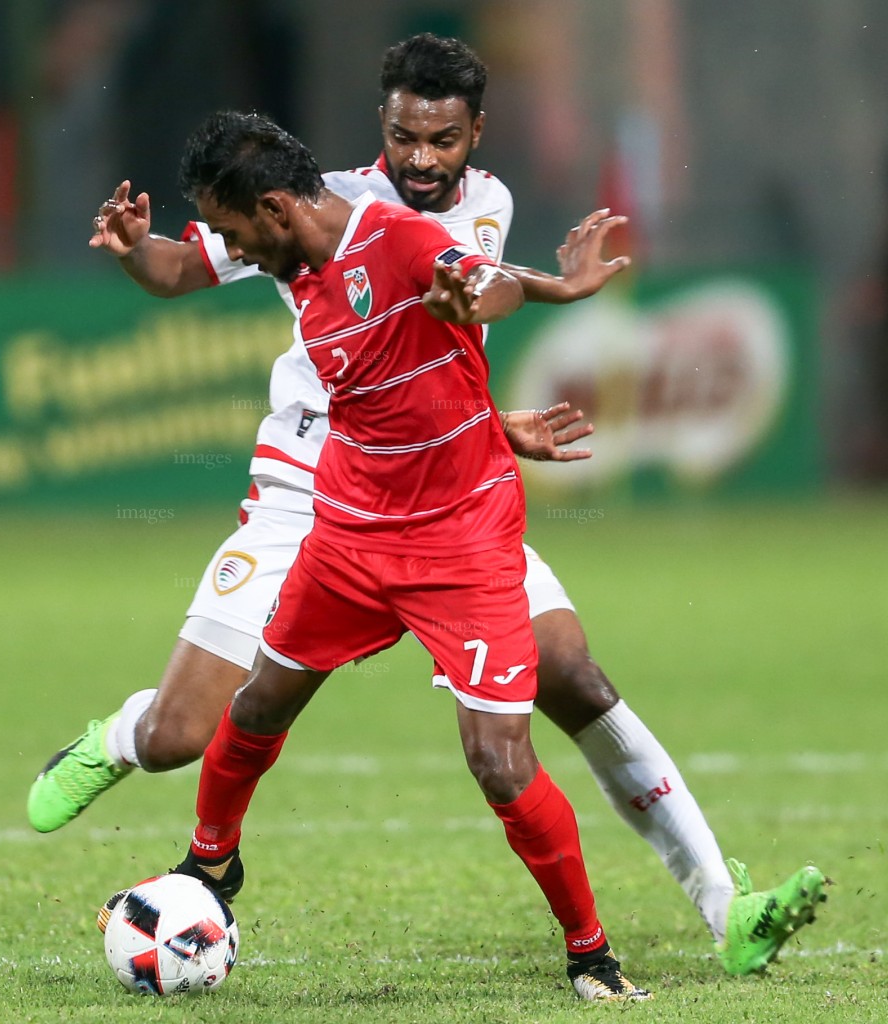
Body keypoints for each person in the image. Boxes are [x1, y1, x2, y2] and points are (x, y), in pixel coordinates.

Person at [29, 33, 826, 974]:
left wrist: (504, 398)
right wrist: (133, 251)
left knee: (574, 674)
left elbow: (462, 305)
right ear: (383, 128)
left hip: (448, 500)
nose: (420, 159)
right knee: (181, 736)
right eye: (406, 136)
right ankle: (120, 736)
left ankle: (727, 907)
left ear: (474, 135)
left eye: (442, 140)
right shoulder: (305, 203)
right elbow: (177, 269)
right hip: (308, 494)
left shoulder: (487, 204)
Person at [169, 106, 648, 1000]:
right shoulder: (299, 268)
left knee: (499, 761)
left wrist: (520, 293)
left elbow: (478, 283)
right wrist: (495, 411)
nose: (236, 250)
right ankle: (209, 866)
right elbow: (395, 390)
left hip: (461, 541)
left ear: (274, 210)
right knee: (261, 701)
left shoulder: (392, 235)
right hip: (349, 529)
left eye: (235, 232)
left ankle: (592, 955)